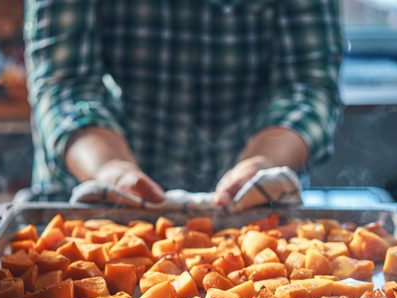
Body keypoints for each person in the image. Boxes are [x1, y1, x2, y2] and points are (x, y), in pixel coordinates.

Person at [24, 0, 342, 205]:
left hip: (254, 208)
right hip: (88, 197)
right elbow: (65, 86)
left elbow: (307, 84)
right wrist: (111, 170)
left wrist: (262, 165)